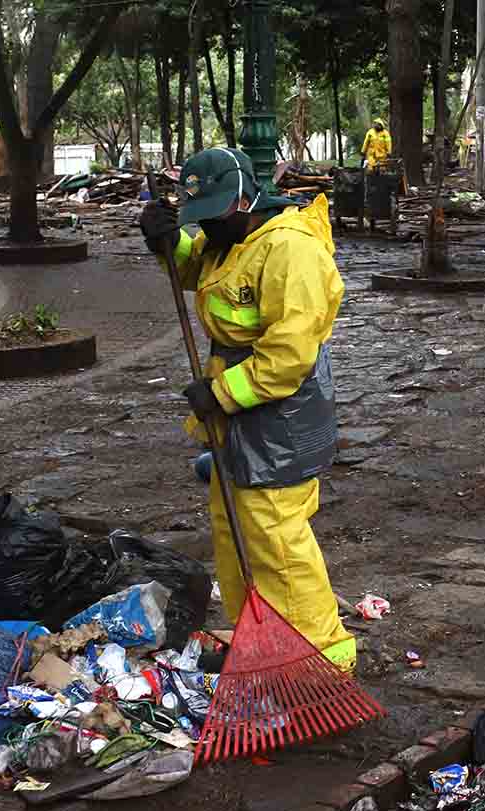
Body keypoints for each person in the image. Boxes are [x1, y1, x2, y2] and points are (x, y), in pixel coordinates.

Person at [138, 148, 357, 671]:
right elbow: (203, 272)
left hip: (279, 413)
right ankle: (257, 639)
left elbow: (289, 355)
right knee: (233, 526)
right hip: (236, 414)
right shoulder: (230, 238)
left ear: (243, 201)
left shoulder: (291, 252)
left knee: (276, 539)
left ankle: (322, 658)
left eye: (211, 217)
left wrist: (220, 392)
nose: (206, 229)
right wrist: (166, 239)